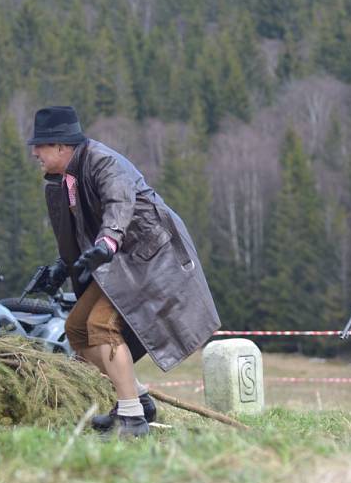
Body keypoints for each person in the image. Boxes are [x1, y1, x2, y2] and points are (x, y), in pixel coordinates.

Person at [28, 106, 220, 437]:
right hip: (117, 263)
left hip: (149, 260)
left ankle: (131, 420)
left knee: (99, 326)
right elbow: (73, 233)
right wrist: (61, 268)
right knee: (76, 329)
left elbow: (120, 205)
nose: (34, 153)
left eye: (40, 146)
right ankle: (139, 399)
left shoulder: (103, 162)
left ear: (61, 146)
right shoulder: (60, 182)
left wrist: (106, 244)